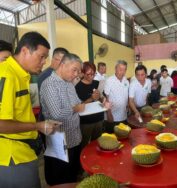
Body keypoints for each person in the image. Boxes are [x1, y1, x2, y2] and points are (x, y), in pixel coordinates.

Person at [0, 32, 61, 187]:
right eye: (41, 56)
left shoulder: (22, 75)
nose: (44, 62)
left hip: (25, 150)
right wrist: (37, 126)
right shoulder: (7, 75)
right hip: (12, 156)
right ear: (25, 51)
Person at [40, 53, 84, 186]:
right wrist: (76, 109)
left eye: (78, 71)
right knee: (60, 179)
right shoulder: (50, 84)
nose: (76, 74)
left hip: (75, 138)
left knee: (72, 176)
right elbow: (56, 114)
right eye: (74, 70)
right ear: (63, 65)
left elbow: (77, 102)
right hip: (61, 144)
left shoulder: (69, 83)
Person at [75, 62, 104, 149]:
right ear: (83, 73)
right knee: (84, 145)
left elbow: (101, 99)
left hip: (99, 118)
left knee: (97, 144)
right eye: (88, 74)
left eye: (93, 73)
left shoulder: (97, 83)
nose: (91, 76)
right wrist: (91, 98)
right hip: (86, 122)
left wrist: (102, 99)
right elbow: (78, 106)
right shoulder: (78, 87)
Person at [104, 60, 129, 133]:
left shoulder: (126, 81)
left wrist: (127, 106)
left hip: (123, 116)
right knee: (112, 138)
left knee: (123, 138)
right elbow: (106, 99)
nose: (122, 72)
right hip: (112, 117)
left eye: (124, 70)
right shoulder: (109, 81)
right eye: (120, 69)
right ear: (115, 69)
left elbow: (126, 96)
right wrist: (109, 113)